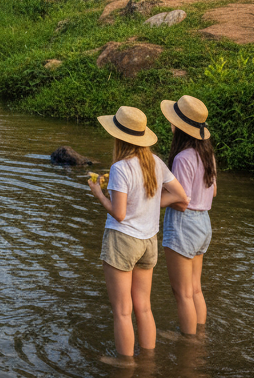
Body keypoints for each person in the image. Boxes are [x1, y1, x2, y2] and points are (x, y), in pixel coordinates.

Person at [89, 105, 187, 358]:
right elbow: (178, 195)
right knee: (143, 307)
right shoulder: (156, 162)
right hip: (148, 242)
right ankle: (148, 360)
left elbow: (119, 213)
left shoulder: (120, 168)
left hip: (123, 241)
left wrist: (98, 193)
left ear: (119, 137)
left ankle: (125, 365)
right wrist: (151, 206)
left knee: (122, 310)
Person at [160, 94, 216, 336]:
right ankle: (198, 336)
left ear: (180, 128)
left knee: (181, 293)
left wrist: (151, 201)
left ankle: (188, 344)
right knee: (195, 290)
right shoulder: (207, 155)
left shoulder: (182, 158)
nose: (170, 124)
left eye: (173, 121)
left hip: (185, 224)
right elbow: (213, 193)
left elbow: (181, 201)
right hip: (204, 223)